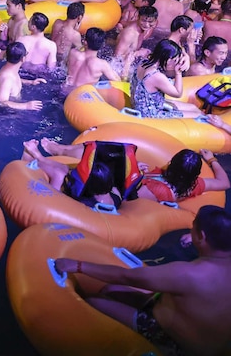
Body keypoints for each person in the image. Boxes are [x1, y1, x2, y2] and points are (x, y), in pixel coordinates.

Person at [54, 205, 231, 356]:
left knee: (94, 301)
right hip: (197, 330)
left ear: (201, 236)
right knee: (110, 290)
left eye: (192, 228)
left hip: (178, 343)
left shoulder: (189, 273)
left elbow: (127, 277)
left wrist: (77, 265)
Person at [130, 40, 202, 118]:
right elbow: (178, 93)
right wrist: (178, 72)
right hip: (151, 115)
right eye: (175, 60)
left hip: (141, 106)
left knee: (193, 107)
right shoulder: (156, 76)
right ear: (168, 60)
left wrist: (186, 56)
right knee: (198, 114)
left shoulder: (144, 62)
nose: (176, 63)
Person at [137, 148, 230, 203]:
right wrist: (211, 159)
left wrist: (135, 169)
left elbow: (128, 200)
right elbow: (225, 183)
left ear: (172, 163)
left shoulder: (156, 190)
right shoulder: (195, 186)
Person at [0, 42, 45, 111]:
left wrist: (30, 82)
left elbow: (14, 80)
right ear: (22, 59)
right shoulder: (7, 79)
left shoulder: (10, 69)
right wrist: (26, 106)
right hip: (8, 114)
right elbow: (1, 101)